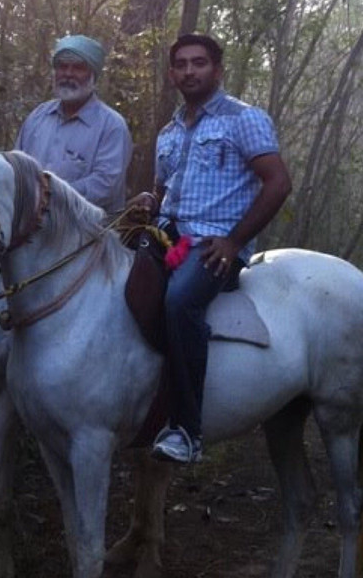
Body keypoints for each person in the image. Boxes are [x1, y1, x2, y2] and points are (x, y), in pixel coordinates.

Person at [143, 33, 292, 464]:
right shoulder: (168, 132)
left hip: (213, 246)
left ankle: (187, 431)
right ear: (172, 73)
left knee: (179, 302)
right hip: (168, 237)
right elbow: (162, 189)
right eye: (182, 65)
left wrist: (235, 240)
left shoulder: (243, 119)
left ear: (217, 69)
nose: (190, 71)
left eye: (199, 63)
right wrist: (147, 204)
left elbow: (278, 182)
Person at [15, 34, 133, 214]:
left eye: (78, 67)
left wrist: (48, 195)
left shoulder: (112, 126)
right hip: (31, 228)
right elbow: (17, 167)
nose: (68, 74)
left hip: (87, 234)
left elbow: (105, 187)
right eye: (62, 66)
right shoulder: (38, 116)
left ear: (93, 75)